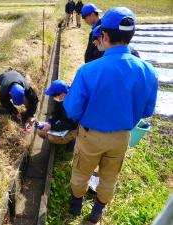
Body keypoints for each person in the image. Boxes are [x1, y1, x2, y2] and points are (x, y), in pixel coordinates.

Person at [63, 7, 158, 223]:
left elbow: (72, 110)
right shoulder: (148, 71)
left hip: (90, 135)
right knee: (110, 176)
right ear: (130, 35)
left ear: (104, 36)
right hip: (122, 136)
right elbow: (146, 111)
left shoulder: (88, 71)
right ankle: (98, 210)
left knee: (81, 172)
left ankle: (76, 204)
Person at [36, 80, 78, 147]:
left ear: (62, 94)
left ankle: (70, 141)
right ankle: (60, 139)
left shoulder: (74, 104)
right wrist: (49, 123)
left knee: (51, 138)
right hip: (63, 122)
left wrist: (52, 126)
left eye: (53, 95)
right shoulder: (60, 99)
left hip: (73, 128)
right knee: (40, 130)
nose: (52, 97)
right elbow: (56, 114)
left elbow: (72, 125)